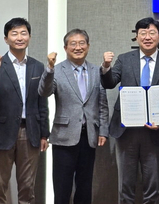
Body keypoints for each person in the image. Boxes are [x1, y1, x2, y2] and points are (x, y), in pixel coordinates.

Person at [101, 17, 159, 204]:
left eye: (152, 33)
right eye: (143, 33)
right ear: (136, 37)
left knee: (152, 187)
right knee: (125, 186)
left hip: (154, 132)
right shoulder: (124, 59)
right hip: (126, 131)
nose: (147, 37)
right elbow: (110, 83)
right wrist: (105, 67)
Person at [0, 17, 50, 204]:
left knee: (27, 187)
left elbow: (42, 102)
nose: (19, 37)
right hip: (2, 132)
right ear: (6, 39)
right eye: (14, 33)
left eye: (23, 33)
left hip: (31, 132)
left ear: (29, 37)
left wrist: (44, 134)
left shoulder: (37, 66)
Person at [39, 29, 109, 204]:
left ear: (88, 46)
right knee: (62, 188)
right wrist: (49, 68)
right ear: (65, 48)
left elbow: (102, 103)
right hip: (64, 136)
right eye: (73, 44)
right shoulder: (57, 70)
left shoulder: (95, 70)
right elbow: (44, 91)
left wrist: (103, 130)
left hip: (89, 136)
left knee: (85, 187)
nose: (78, 47)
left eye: (82, 43)